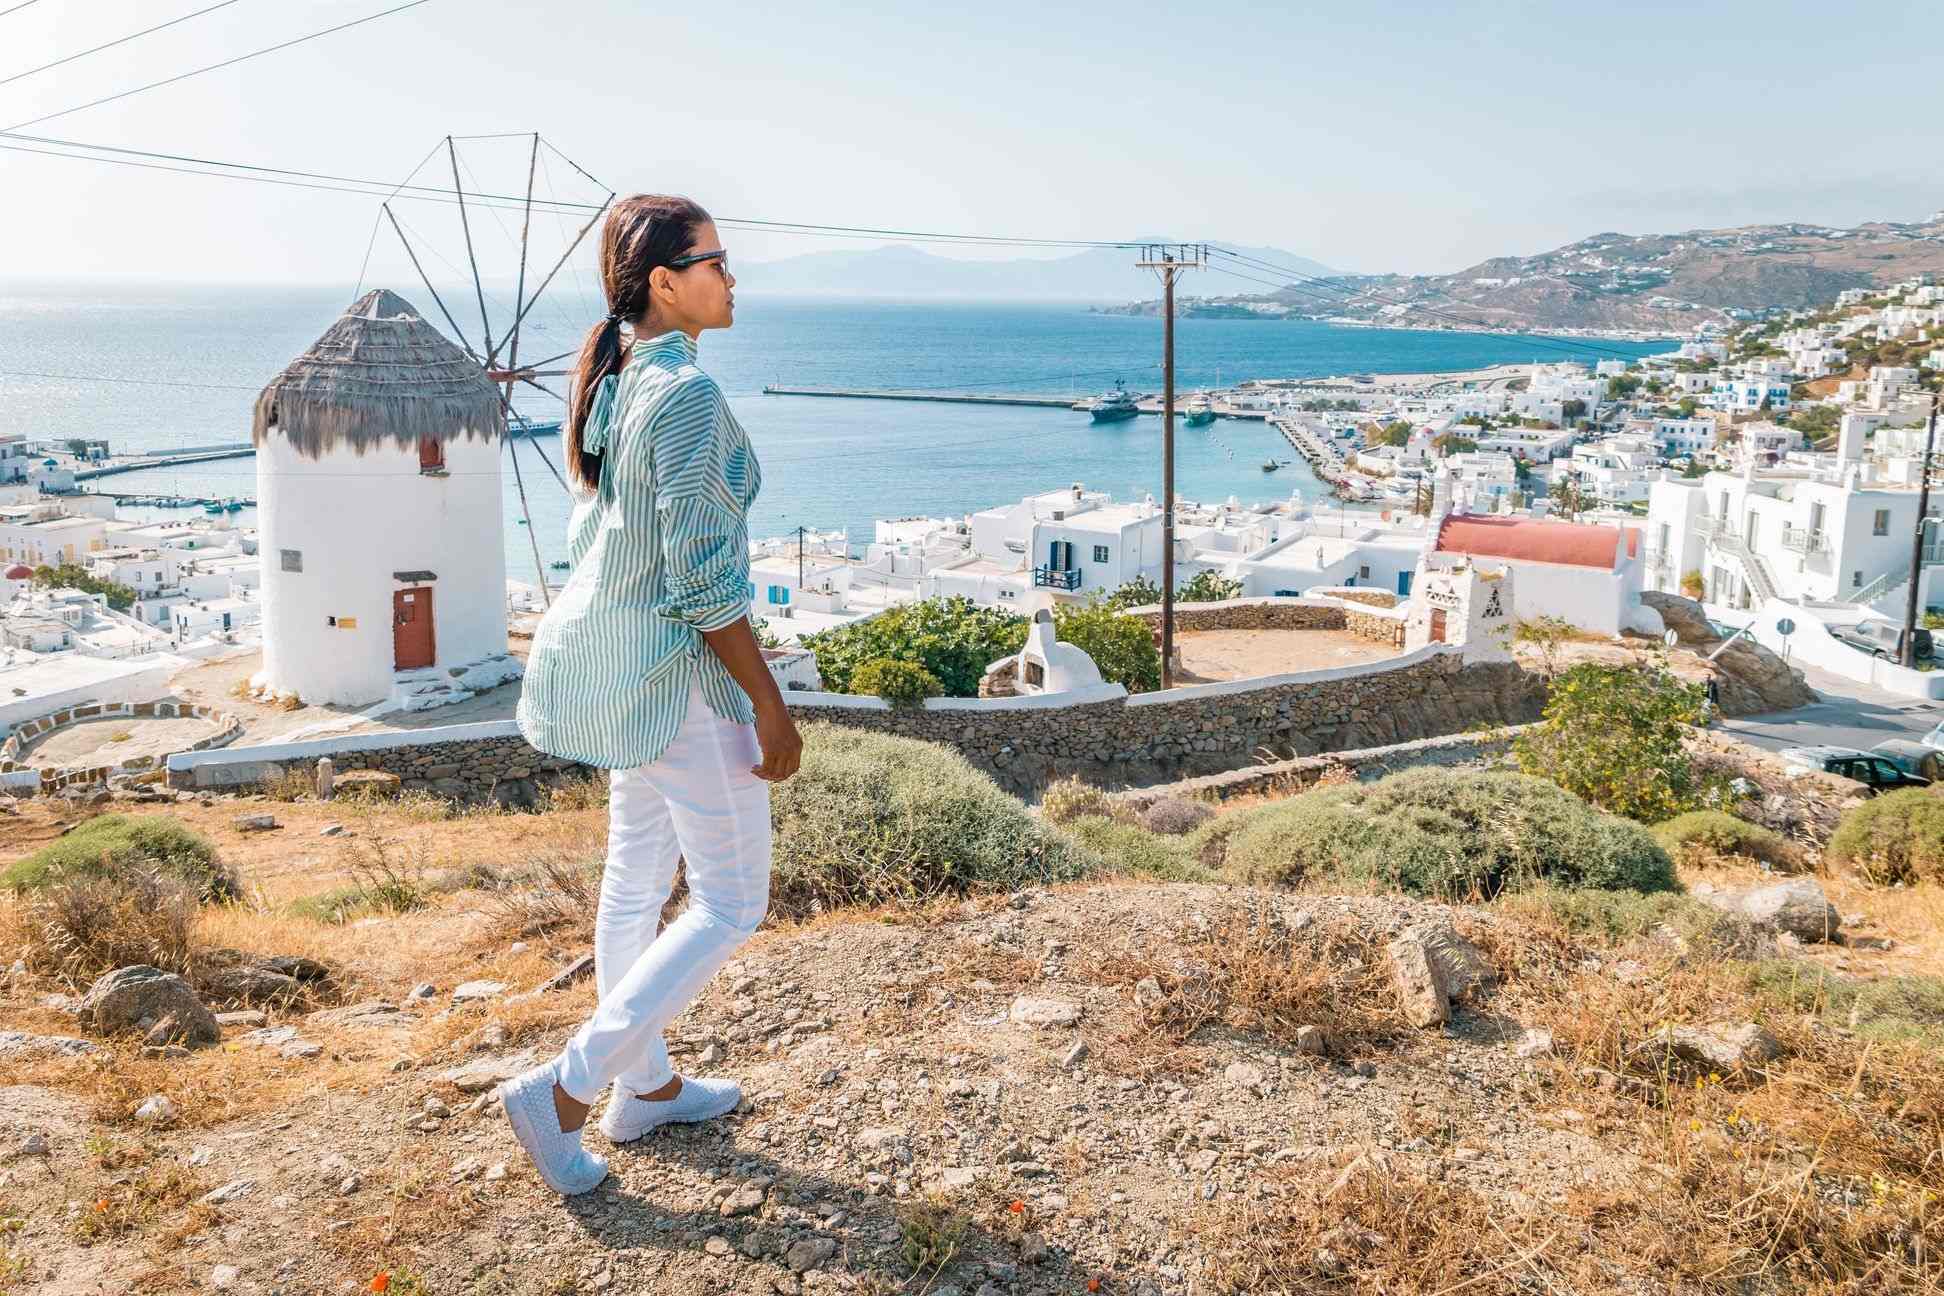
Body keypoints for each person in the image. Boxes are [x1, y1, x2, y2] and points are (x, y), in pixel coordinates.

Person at [501, 195, 803, 1196]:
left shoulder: (620, 377)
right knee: (730, 901)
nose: (731, 276)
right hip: (685, 685)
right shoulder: (683, 399)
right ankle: (567, 1092)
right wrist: (769, 702)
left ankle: (650, 1089)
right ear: (666, 283)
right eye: (716, 260)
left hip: (631, 681)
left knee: (636, 883)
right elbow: (701, 581)